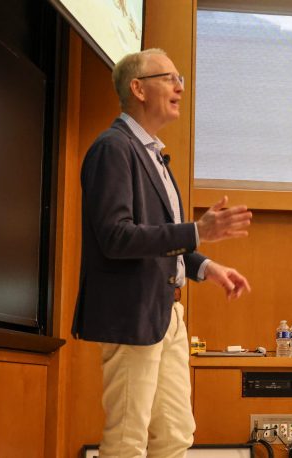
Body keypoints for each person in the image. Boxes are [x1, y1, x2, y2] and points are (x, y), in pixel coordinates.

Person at [71, 48, 252, 458]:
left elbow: (164, 240)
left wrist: (206, 265)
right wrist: (197, 231)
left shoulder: (155, 156)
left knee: (174, 436)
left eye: (181, 79)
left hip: (168, 314)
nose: (180, 88)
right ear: (138, 88)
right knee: (127, 439)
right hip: (132, 314)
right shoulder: (113, 149)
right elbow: (116, 237)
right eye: (170, 78)